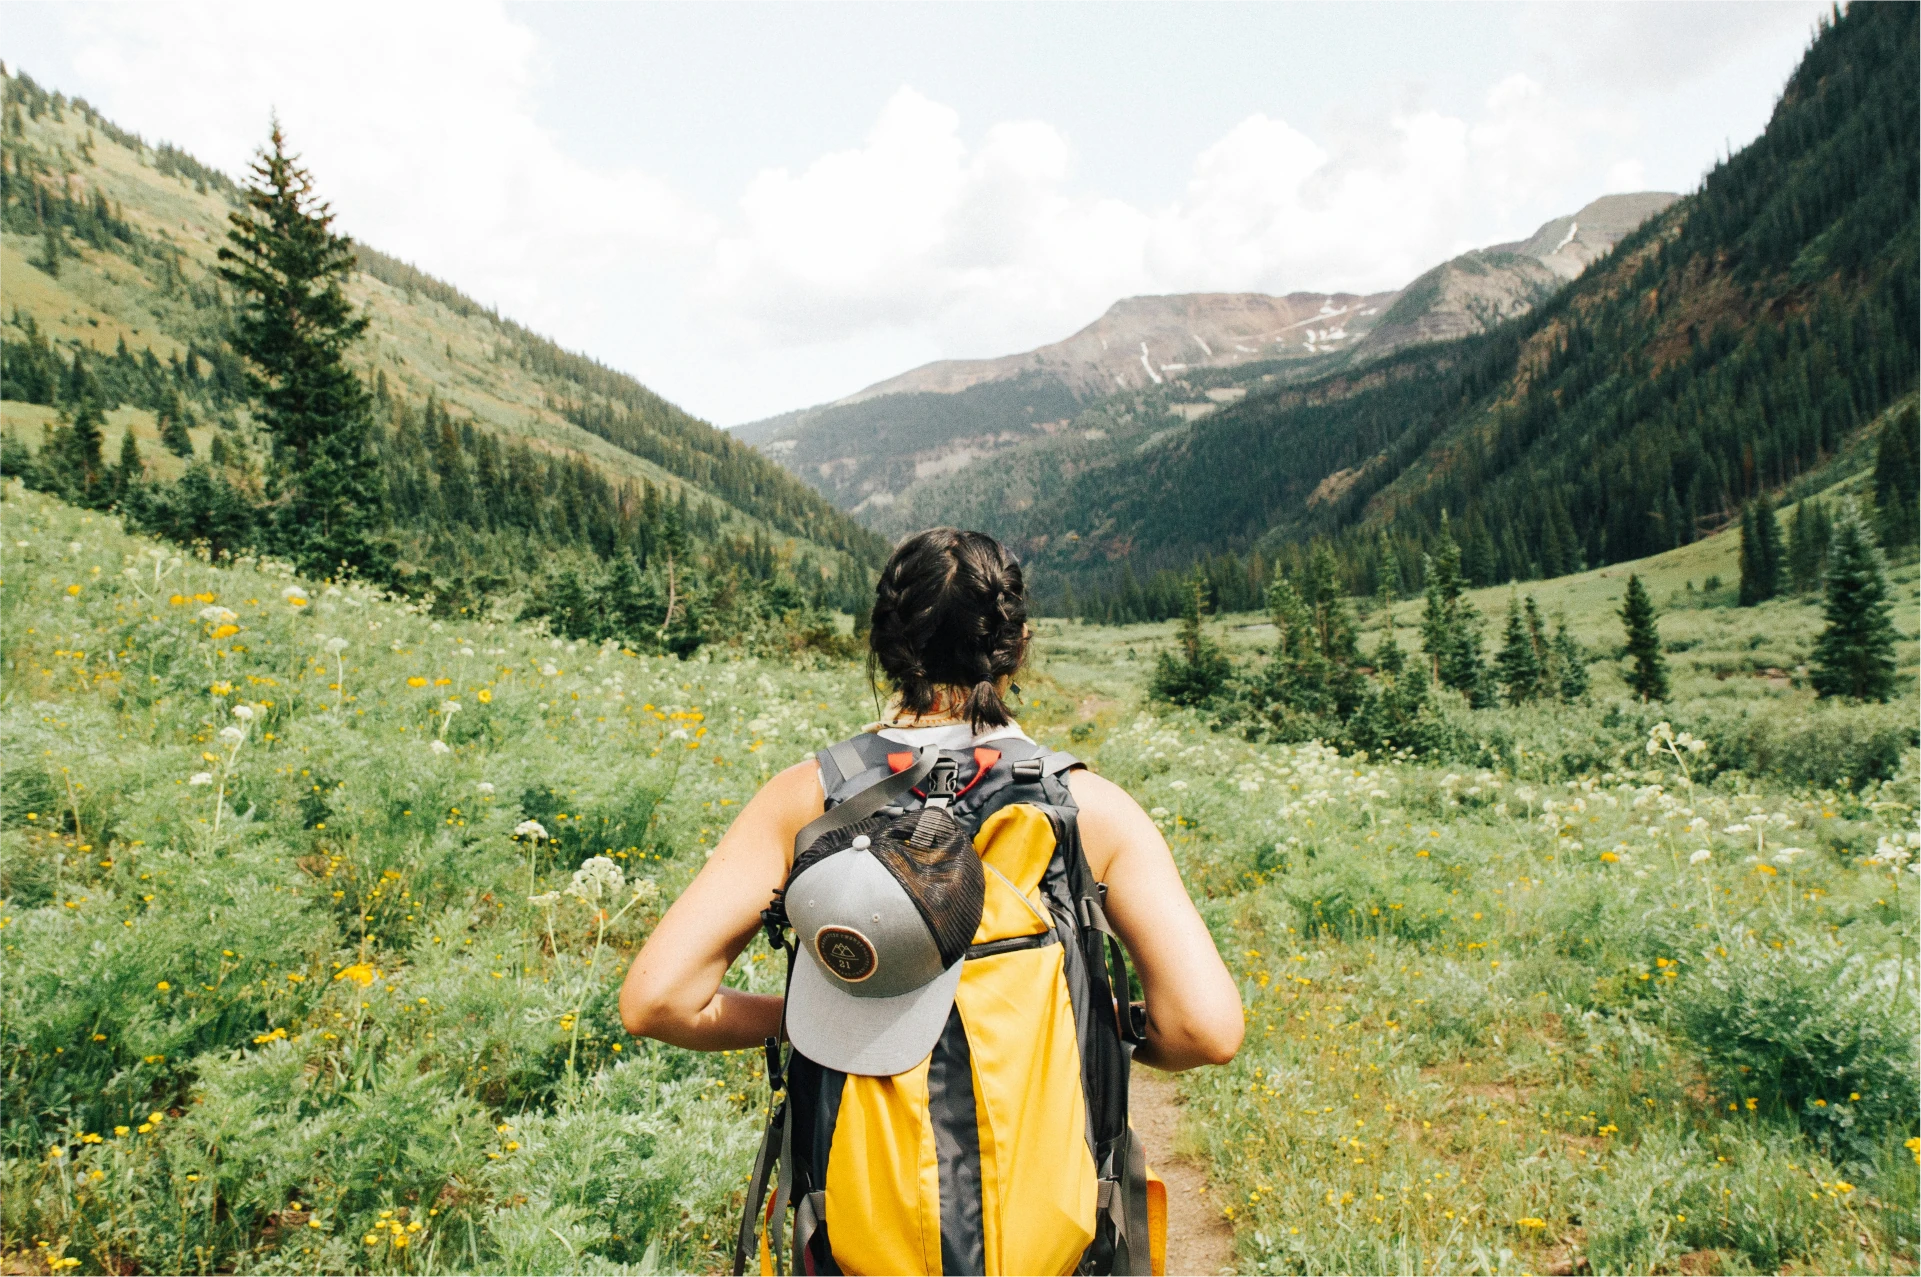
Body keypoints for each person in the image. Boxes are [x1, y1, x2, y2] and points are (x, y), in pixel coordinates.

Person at [621, 527, 1242, 1277]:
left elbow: (657, 1000)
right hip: (1051, 1242)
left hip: (863, 1239)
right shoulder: (1088, 807)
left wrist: (821, 1014)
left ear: (883, 644)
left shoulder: (807, 800)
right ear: (1017, 644)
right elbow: (1206, 1030)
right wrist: (1107, 1027)